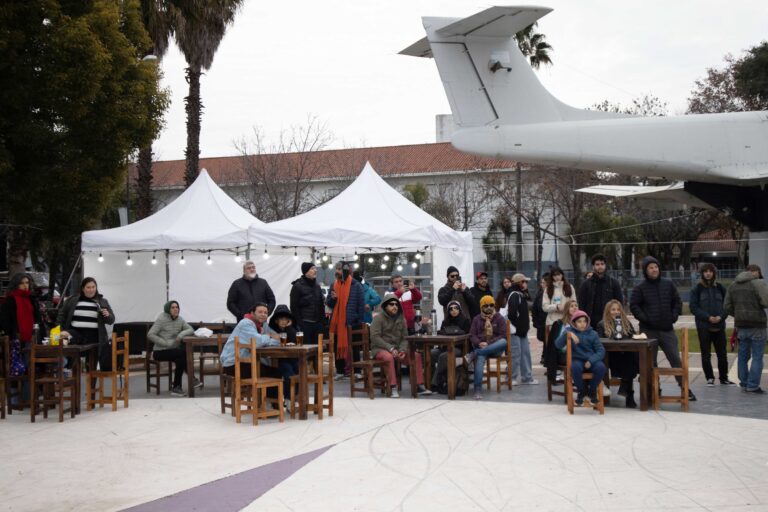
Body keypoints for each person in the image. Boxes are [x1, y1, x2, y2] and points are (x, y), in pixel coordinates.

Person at [630, 256, 696, 401]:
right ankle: (653, 389)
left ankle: (685, 389)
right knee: (649, 363)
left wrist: (673, 316)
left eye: (656, 267)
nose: (654, 270)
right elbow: (634, 305)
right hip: (648, 331)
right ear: (646, 271)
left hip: (667, 330)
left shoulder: (668, 284)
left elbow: (677, 302)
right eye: (650, 268)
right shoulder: (640, 288)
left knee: (675, 360)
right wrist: (645, 318)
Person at [370, 294, 431, 398]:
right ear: (385, 306)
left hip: (398, 349)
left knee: (416, 356)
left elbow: (404, 338)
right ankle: (393, 387)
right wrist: (390, 348)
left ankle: (419, 386)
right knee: (388, 357)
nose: (395, 306)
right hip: (381, 349)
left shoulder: (401, 319)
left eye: (396, 304)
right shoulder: (378, 319)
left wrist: (402, 350)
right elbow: (375, 337)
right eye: (391, 304)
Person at [724, 264, 768, 394]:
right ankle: (753, 385)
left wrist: (738, 314)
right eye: (759, 272)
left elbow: (726, 306)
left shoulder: (733, 285)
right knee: (757, 357)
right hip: (757, 325)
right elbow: (766, 302)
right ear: (755, 272)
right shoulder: (758, 283)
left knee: (742, 356)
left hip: (741, 326)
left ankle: (744, 383)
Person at [689, 263, 733, 386]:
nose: (708, 273)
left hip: (719, 326)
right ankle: (710, 378)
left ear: (714, 273)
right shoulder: (696, 289)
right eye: (705, 271)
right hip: (704, 327)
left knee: (722, 354)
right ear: (702, 273)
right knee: (705, 354)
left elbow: (728, 305)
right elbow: (693, 307)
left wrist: (721, 316)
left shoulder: (720, 288)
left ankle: (724, 378)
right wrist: (708, 317)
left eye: (710, 271)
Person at [57, 277, 115, 370]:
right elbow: (62, 315)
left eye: (93, 287)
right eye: (88, 287)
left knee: (91, 366)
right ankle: (68, 372)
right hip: (76, 333)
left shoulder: (102, 301)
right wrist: (60, 328)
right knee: (64, 336)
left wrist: (107, 315)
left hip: (95, 336)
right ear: (83, 288)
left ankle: (91, 383)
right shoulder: (72, 300)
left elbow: (111, 320)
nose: (91, 290)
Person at [555, 310, 606, 406]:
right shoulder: (569, 331)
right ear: (574, 323)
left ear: (587, 322)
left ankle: (592, 391)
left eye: (584, 321)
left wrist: (591, 361)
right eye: (579, 321)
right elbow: (557, 344)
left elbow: (601, 351)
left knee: (601, 367)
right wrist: (567, 334)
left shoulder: (593, 334)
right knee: (575, 368)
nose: (582, 324)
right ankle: (581, 391)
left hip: (591, 360)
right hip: (577, 360)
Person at [147, 300, 197, 396]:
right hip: (159, 352)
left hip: (173, 351)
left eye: (177, 307)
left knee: (181, 358)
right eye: (173, 307)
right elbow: (150, 334)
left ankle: (176, 388)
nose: (175, 309)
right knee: (182, 353)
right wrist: (164, 343)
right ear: (168, 309)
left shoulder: (180, 319)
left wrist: (180, 335)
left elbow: (190, 329)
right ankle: (192, 379)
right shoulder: (161, 319)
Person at [596, 299, 639, 408]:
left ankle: (625, 385)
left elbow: (633, 337)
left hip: (626, 355)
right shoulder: (601, 324)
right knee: (629, 360)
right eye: (613, 309)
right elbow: (600, 343)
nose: (616, 312)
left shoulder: (626, 323)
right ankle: (628, 393)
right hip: (610, 356)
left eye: (618, 309)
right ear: (608, 311)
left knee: (633, 356)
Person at [220, 302, 280, 377]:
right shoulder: (246, 324)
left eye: (265, 313)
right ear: (252, 313)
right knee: (276, 373)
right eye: (260, 312)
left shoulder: (259, 326)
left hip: (242, 364)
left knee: (274, 370)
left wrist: (269, 338)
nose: (263, 314)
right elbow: (258, 342)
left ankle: (259, 388)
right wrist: (268, 336)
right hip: (234, 365)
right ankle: (258, 388)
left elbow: (274, 340)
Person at [327, 261, 365, 379]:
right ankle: (340, 371)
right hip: (338, 322)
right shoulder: (334, 285)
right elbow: (329, 303)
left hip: (352, 322)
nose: (336, 272)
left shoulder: (356, 285)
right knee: (337, 346)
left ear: (345, 271)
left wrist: (357, 318)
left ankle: (357, 370)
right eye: (336, 269)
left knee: (354, 347)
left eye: (339, 269)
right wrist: (332, 299)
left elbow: (361, 305)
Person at [469, 295, 508, 399]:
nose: (489, 307)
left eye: (491, 305)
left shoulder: (499, 317)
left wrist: (489, 343)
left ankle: (474, 354)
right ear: (481, 307)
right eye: (486, 305)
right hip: (481, 347)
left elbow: (503, 335)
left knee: (503, 341)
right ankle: (477, 389)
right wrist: (479, 343)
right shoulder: (477, 319)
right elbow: (472, 335)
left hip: (495, 349)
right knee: (481, 357)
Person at [430, 300, 472, 389]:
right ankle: (430, 379)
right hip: (445, 347)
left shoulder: (465, 321)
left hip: (459, 348)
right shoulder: (445, 322)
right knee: (431, 353)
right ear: (448, 311)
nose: (454, 310)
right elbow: (441, 335)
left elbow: (468, 337)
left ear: (459, 309)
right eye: (451, 309)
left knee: (443, 356)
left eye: (456, 308)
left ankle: (435, 383)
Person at [578, 254, 623, 329]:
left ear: (605, 265)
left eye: (602, 264)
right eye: (597, 264)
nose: (600, 266)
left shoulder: (613, 283)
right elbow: (582, 305)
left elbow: (619, 302)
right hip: (590, 323)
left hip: (610, 322)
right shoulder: (586, 285)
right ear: (593, 266)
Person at [507, 273, 537, 385]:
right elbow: (512, 313)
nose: (526, 284)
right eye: (524, 282)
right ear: (519, 283)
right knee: (515, 354)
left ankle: (527, 377)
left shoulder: (521, 294)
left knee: (525, 353)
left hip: (521, 331)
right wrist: (518, 326)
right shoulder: (515, 295)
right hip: (516, 331)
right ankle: (511, 378)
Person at [1, 272, 46, 344]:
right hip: (15, 338)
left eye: (27, 283)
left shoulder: (32, 299)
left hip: (33, 337)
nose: (25, 285)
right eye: (22, 283)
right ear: (16, 285)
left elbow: (37, 318)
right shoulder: (10, 300)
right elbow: (5, 321)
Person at [267, 304, 300, 400]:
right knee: (288, 372)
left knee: (298, 370)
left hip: (293, 358)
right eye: (281, 319)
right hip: (278, 359)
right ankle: (288, 398)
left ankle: (295, 397)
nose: (283, 321)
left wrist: (289, 328)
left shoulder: (293, 328)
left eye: (286, 319)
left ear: (289, 320)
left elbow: (295, 341)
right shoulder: (272, 329)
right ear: (276, 320)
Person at [543, 298, 579, 384]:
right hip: (562, 354)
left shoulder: (581, 322)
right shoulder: (560, 324)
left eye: (576, 306)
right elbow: (556, 345)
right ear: (567, 309)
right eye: (571, 306)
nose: (574, 308)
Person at [290, 262, 326, 346]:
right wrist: (300, 323)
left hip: (317, 324)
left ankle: (316, 360)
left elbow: (321, 305)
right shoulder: (297, 286)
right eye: (312, 268)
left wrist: (322, 322)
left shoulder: (317, 286)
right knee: (306, 350)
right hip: (305, 324)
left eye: (315, 268)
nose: (315, 270)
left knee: (318, 350)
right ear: (306, 271)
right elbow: (293, 307)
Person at [530, 273, 549, 363]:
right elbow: (534, 308)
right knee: (544, 339)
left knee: (548, 341)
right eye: (541, 283)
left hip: (549, 322)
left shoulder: (550, 294)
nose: (542, 284)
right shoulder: (540, 294)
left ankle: (545, 357)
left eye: (543, 283)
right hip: (541, 322)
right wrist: (535, 321)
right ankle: (544, 356)